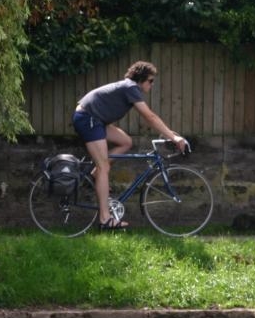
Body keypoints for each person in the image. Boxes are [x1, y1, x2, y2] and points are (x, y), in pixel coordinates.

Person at [72, 61, 187, 230]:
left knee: (126, 142)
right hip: (88, 118)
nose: (152, 84)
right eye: (150, 80)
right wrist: (174, 138)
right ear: (140, 79)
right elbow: (150, 117)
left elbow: (150, 118)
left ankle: (97, 172)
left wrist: (170, 134)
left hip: (95, 118)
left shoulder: (129, 87)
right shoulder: (130, 88)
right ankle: (105, 219)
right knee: (104, 167)